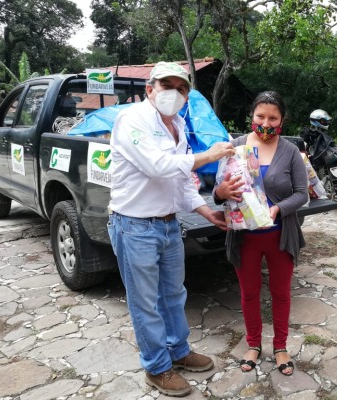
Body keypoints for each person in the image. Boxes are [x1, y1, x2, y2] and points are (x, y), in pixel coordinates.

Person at [107, 61, 235, 397]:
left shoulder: (177, 124)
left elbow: (181, 181)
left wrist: (207, 211)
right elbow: (157, 166)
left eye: (182, 88)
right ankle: (156, 366)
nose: (174, 93)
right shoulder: (132, 119)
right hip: (134, 227)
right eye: (167, 86)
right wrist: (208, 155)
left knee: (174, 295)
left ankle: (178, 351)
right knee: (146, 303)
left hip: (167, 226)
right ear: (150, 89)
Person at [213, 91, 309, 376]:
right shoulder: (236, 146)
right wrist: (221, 192)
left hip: (279, 235)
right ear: (252, 116)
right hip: (245, 238)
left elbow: (302, 194)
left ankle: (281, 347)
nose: (266, 123)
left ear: (282, 120)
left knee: (280, 294)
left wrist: (278, 208)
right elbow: (218, 190)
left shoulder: (290, 151)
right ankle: (253, 344)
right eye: (260, 116)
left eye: (273, 118)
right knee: (249, 293)